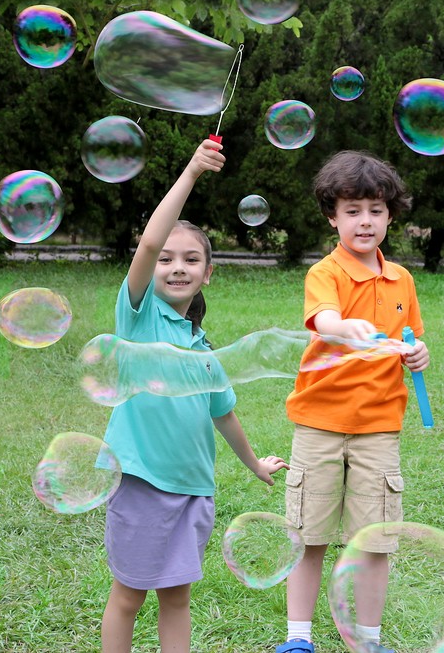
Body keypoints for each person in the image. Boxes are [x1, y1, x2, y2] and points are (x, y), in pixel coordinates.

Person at [100, 138, 288, 653]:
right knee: (128, 597)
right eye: (166, 259)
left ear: (208, 273)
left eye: (190, 259)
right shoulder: (138, 318)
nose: (176, 266)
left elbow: (224, 415)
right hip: (140, 481)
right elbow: (146, 244)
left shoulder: (203, 348)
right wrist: (192, 172)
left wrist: (255, 464)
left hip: (193, 490)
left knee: (177, 597)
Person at [277, 150, 430, 653]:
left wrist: (418, 353)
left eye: (376, 210)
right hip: (319, 423)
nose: (365, 221)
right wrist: (346, 328)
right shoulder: (326, 274)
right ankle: (298, 638)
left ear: (390, 216)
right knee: (309, 536)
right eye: (352, 210)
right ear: (332, 217)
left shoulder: (402, 279)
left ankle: (368, 639)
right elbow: (324, 321)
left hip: (379, 428)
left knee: (375, 541)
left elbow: (408, 338)